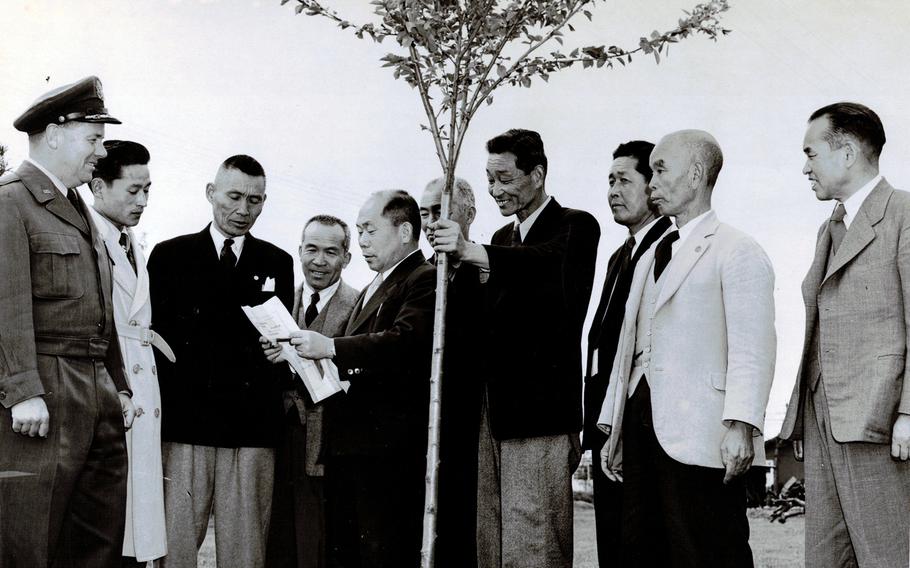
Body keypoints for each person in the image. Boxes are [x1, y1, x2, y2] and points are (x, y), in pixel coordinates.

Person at [597, 129, 775, 567]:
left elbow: (753, 347)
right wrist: (614, 426)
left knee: (708, 551)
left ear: (695, 175)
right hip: (641, 430)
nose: (651, 181)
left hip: (703, 435)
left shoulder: (737, 250)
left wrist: (741, 426)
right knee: (643, 551)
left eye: (660, 169)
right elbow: (629, 348)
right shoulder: (654, 253)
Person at [430, 129, 600, 568]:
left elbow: (548, 270)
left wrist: (472, 251)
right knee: (493, 539)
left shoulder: (575, 226)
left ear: (537, 174)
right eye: (489, 179)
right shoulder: (501, 239)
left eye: (504, 178)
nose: (494, 190)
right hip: (493, 416)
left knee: (536, 542)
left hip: (541, 417)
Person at [0, 76, 134, 567]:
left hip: (94, 385)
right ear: (55, 134)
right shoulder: (11, 201)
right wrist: (23, 390)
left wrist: (117, 383)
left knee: (96, 538)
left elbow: (102, 308)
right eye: (92, 139)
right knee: (30, 536)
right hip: (47, 388)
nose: (99, 153)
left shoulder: (79, 208)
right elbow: (5, 302)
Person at [779, 102, 910, 567]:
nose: (804, 167)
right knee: (826, 557)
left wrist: (908, 413)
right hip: (823, 420)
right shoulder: (828, 227)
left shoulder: (903, 213)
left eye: (811, 154)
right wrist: (800, 414)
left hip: (879, 419)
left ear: (848, 152)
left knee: (889, 555)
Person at [147, 155, 294, 568]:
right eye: (234, 196)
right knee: (174, 548)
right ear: (211, 193)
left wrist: (280, 353)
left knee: (245, 552)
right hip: (185, 427)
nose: (243, 210)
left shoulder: (277, 262)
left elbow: (282, 342)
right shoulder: (168, 256)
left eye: (255, 200)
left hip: (250, 432)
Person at [289, 190, 435, 567]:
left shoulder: (423, 278)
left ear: (404, 231)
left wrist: (330, 347)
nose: (364, 241)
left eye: (370, 230)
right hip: (355, 450)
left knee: (381, 552)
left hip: (385, 453)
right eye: (359, 231)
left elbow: (403, 342)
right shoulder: (379, 282)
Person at [583, 140, 672, 566]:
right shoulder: (620, 254)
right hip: (606, 421)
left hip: (640, 422)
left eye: (624, 180)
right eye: (609, 181)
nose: (613, 190)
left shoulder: (668, 247)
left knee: (642, 545)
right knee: (612, 545)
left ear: (653, 185)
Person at [88, 140, 171, 567]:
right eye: (133, 190)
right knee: (108, 531)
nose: (142, 201)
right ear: (99, 187)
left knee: (133, 534)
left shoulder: (131, 242)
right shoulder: (89, 239)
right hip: (111, 394)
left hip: (140, 391)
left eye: (148, 190)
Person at [262, 215, 359, 568]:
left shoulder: (359, 304)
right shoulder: (282, 299)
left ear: (346, 258)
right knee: (279, 534)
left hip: (326, 441)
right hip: (279, 436)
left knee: (317, 535)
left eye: (331, 252)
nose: (319, 260)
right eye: (312, 249)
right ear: (299, 250)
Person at [419, 176, 482, 568]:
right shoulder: (418, 277)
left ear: (469, 214)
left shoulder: (487, 268)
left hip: (471, 424)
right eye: (424, 213)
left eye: (439, 212)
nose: (430, 223)